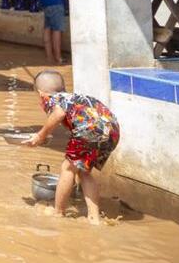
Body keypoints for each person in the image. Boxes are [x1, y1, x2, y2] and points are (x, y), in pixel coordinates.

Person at [23, 70, 120, 224]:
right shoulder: (74, 97)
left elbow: (58, 114)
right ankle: (94, 218)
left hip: (89, 129)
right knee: (83, 172)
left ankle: (58, 213)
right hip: (112, 130)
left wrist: (40, 136)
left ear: (41, 93)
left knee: (67, 168)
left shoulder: (52, 99)